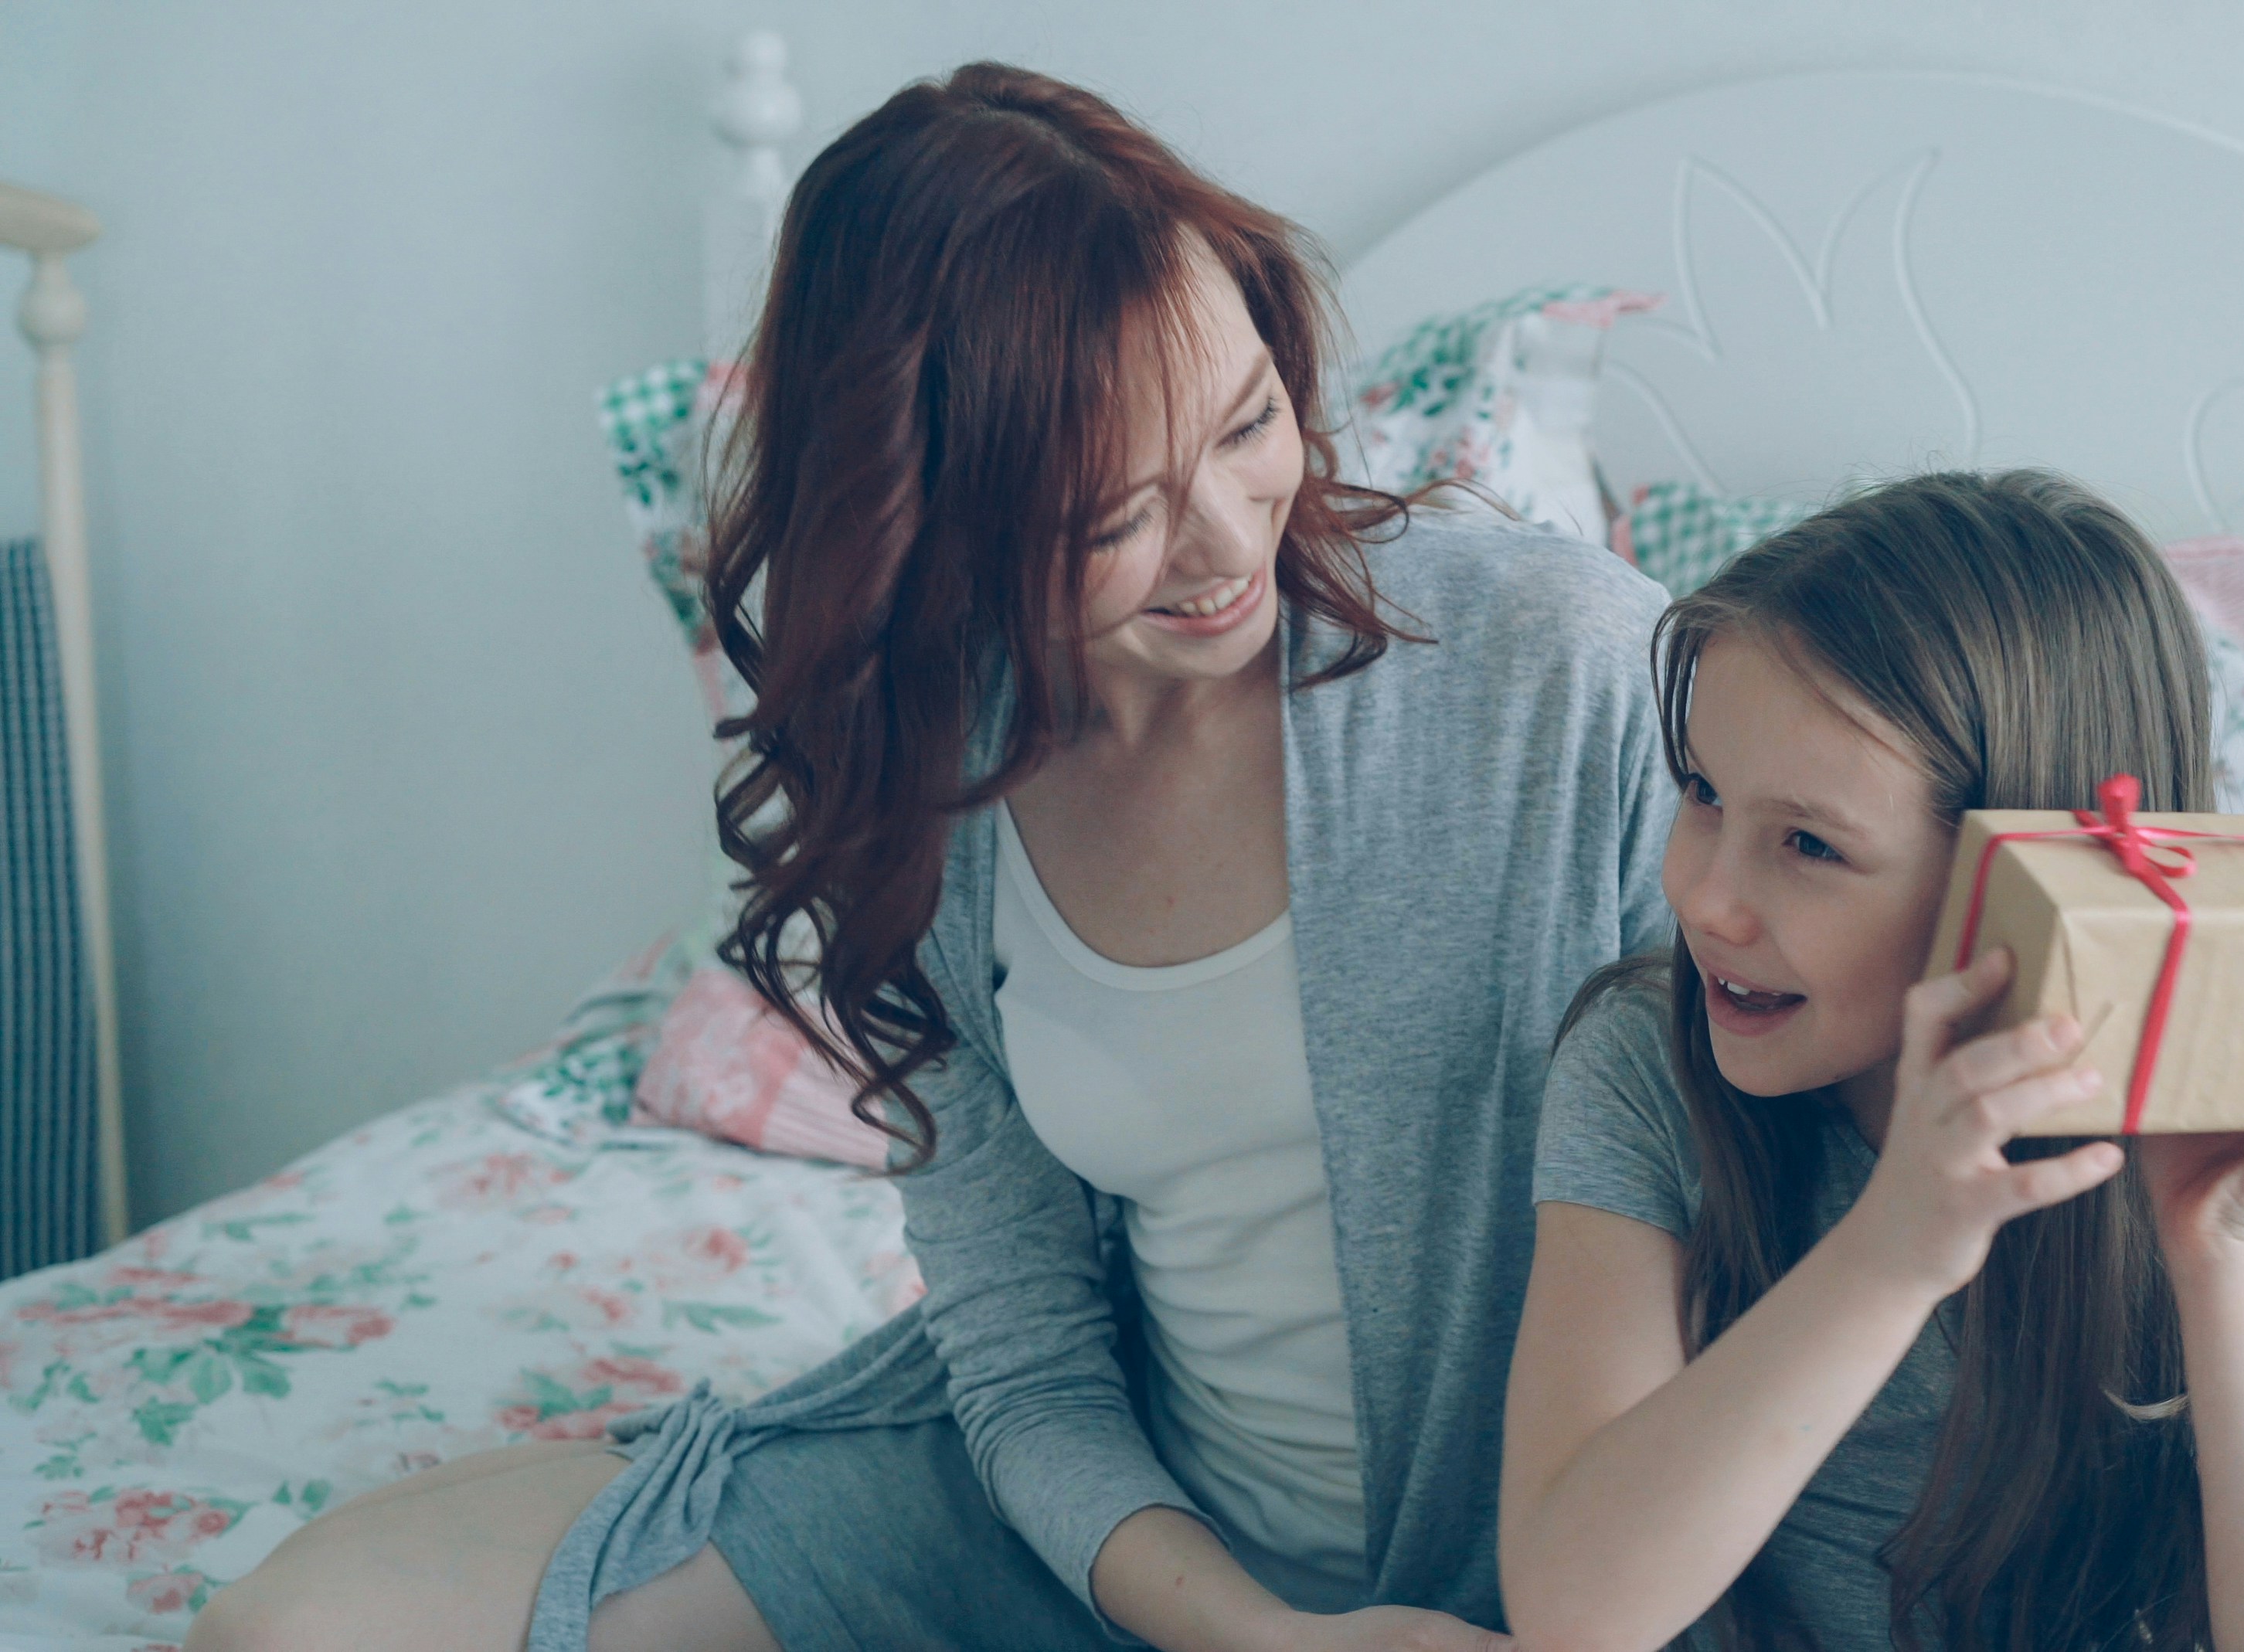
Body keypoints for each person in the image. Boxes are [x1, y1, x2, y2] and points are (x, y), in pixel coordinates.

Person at [193, 62, 1674, 1652]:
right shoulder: (931, 771)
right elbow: (1024, 1351)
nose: (1231, 542)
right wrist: (1257, 1635)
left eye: (1251, 423)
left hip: (1554, 1554)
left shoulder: (1557, 666)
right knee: (290, 1630)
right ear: (933, 515)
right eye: (1113, 512)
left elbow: (1767, 1206)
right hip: (1115, 1535)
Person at [1496, 471, 2244, 1652]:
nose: (1707, 897)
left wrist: (2224, 1258)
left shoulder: (2241, 1134)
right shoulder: (1645, 1068)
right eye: (1702, 792)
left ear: (2017, 886)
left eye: (1810, 844)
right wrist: (1893, 1248)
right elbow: (1572, 1610)